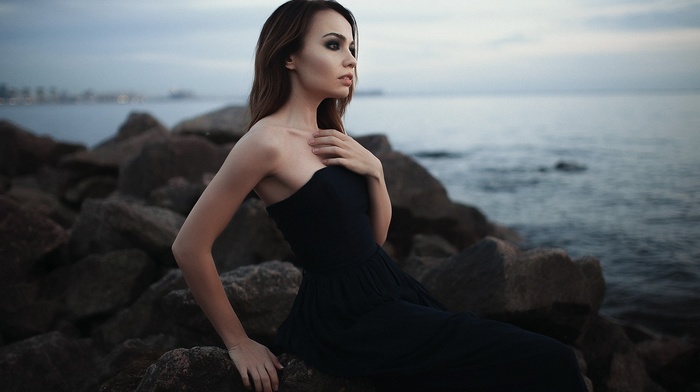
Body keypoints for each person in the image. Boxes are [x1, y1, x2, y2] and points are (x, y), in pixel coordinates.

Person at [171, 1, 589, 391]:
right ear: (289, 56)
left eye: (352, 47)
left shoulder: (331, 136)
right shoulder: (265, 143)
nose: (350, 59)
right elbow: (189, 245)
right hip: (347, 315)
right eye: (333, 45)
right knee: (553, 361)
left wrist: (376, 173)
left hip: (388, 290)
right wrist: (238, 342)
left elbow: (372, 241)